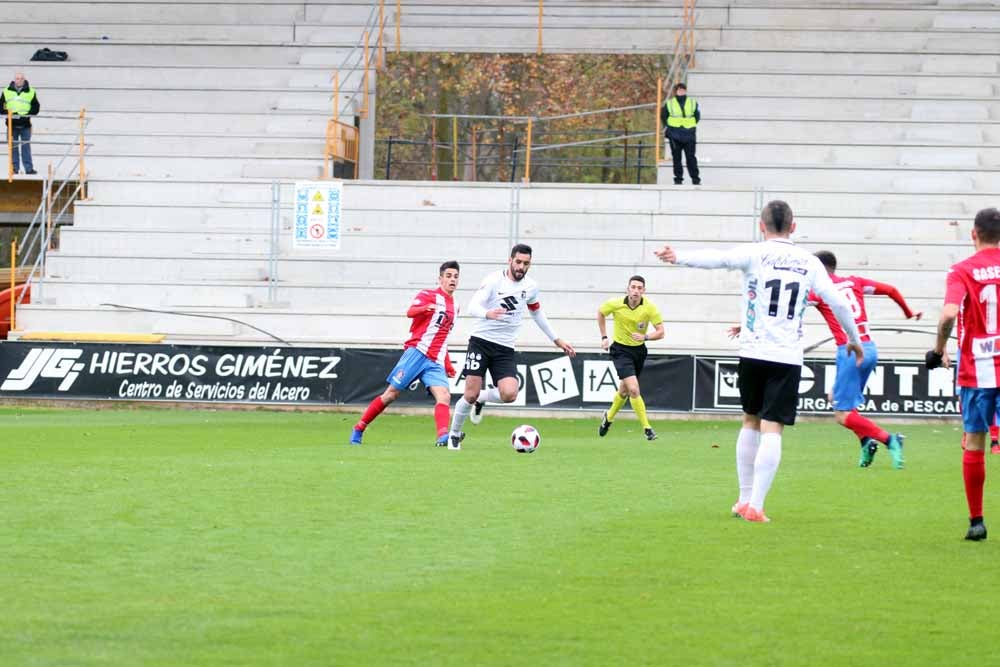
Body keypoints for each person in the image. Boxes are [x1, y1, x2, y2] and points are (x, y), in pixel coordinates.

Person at [654, 200, 863, 523]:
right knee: (772, 428)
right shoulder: (809, 262)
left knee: (750, 420)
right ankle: (756, 505)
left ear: (761, 226)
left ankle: (742, 498)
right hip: (786, 356)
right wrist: (854, 339)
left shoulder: (754, 253)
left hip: (752, 352)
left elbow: (717, 259)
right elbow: (839, 303)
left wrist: (678, 256)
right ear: (793, 227)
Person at [447, 244, 575, 450]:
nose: (521, 267)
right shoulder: (493, 281)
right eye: (518, 262)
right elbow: (472, 306)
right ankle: (454, 435)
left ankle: (481, 398)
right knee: (469, 394)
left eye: (526, 264)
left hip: (504, 348)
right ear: (510, 260)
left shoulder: (531, 287)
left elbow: (536, 313)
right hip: (480, 342)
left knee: (509, 394)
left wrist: (557, 339)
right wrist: (487, 313)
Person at [925, 206, 1000, 542]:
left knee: (973, 443)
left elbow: (948, 315)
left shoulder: (961, 270)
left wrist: (939, 349)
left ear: (973, 234)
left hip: (977, 369)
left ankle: (976, 521)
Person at [808, 250, 922, 469]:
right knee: (838, 399)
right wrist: (908, 312)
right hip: (869, 349)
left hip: (849, 350)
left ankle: (890, 440)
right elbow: (891, 290)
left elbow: (785, 306)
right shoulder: (854, 282)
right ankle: (866, 443)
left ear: (819, 270)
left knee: (842, 414)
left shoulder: (819, 291)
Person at [350, 261, 461, 446]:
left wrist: (447, 363)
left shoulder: (456, 306)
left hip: (435, 359)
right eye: (448, 276)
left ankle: (443, 436)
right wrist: (424, 309)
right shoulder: (428, 295)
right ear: (440, 278)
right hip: (417, 352)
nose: (452, 280)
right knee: (391, 394)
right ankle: (359, 427)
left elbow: (443, 336)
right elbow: (410, 312)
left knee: (444, 396)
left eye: (456, 277)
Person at [596, 275, 664, 441]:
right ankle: (647, 428)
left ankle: (608, 417)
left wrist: (646, 337)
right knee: (634, 389)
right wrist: (604, 337)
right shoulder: (616, 304)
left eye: (639, 288)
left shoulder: (649, 308)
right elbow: (600, 312)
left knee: (624, 390)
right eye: (633, 287)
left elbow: (661, 332)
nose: (636, 291)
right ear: (628, 289)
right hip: (620, 351)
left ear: (644, 291)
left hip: (639, 351)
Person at [659, 82, 700, 186]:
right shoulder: (670, 103)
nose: (681, 92)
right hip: (674, 134)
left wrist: (690, 125)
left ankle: (695, 179)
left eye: (683, 90)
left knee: (691, 157)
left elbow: (697, 116)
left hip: (689, 133)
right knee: (677, 158)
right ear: (675, 92)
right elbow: (664, 116)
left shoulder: (692, 102)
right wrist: (669, 127)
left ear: (685, 91)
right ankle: (678, 179)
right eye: (679, 90)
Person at [1, 72, 40, 175]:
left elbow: (36, 107)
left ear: (24, 80)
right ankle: (14, 169)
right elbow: (1, 107)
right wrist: (10, 114)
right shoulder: (6, 91)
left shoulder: (31, 91)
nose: (19, 80)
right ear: (14, 80)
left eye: (21, 78)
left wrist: (26, 115)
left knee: (25, 148)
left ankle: (28, 169)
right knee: (13, 147)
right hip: (11, 124)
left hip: (25, 124)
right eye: (17, 78)